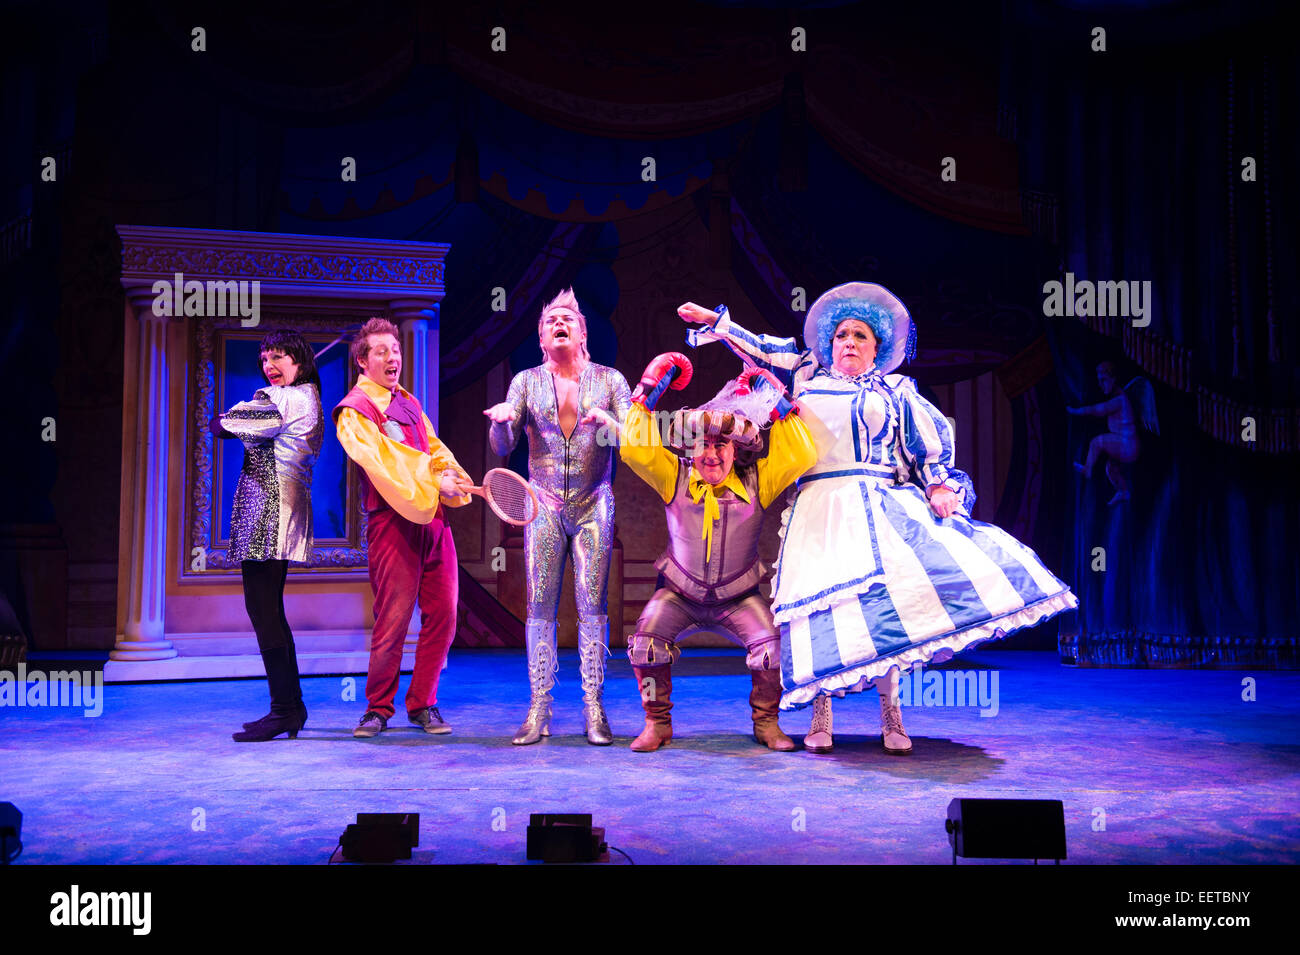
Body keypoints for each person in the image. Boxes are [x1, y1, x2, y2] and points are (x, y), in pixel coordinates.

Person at [680, 284, 1077, 754]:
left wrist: (939, 485)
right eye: (841, 334)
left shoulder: (895, 390)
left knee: (886, 611)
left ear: (877, 348)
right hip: (819, 506)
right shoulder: (807, 375)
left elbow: (926, 447)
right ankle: (820, 714)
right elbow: (765, 349)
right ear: (828, 343)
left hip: (878, 504)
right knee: (819, 606)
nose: (848, 341)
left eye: (860, 336)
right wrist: (718, 323)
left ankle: (892, 716)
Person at [619, 354, 818, 751]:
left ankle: (766, 724)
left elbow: (802, 454)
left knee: (771, 650)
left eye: (720, 443)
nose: (710, 453)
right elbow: (633, 449)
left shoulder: (760, 480)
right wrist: (645, 395)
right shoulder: (672, 474)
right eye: (702, 444)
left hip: (738, 597)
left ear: (736, 448)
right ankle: (657, 724)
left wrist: (777, 401)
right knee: (646, 643)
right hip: (679, 593)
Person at [484, 289, 631, 745]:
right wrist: (502, 422)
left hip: (593, 503)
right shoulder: (525, 382)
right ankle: (539, 709)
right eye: (551, 321)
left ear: (583, 332)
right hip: (543, 504)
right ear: (542, 338)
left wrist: (609, 423)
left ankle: (594, 708)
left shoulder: (610, 380)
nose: (560, 324)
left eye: (568, 318)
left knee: (592, 605)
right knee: (540, 606)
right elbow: (503, 448)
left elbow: (637, 441)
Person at [334, 317, 474, 739]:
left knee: (445, 615)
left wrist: (451, 476)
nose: (393, 358)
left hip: (432, 521)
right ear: (363, 360)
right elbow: (382, 464)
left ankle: (424, 702)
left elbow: (433, 448)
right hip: (393, 524)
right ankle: (378, 708)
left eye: (395, 351)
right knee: (393, 619)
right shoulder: (354, 411)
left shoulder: (409, 402)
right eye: (382, 352)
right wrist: (434, 482)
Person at [213, 330, 323, 742]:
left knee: (263, 610)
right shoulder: (306, 396)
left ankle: (283, 711)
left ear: (300, 361)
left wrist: (235, 410)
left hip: (270, 509)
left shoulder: (285, 398)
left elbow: (222, 427)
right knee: (270, 610)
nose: (269, 365)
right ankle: (291, 708)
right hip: (280, 506)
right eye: (264, 359)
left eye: (278, 357)